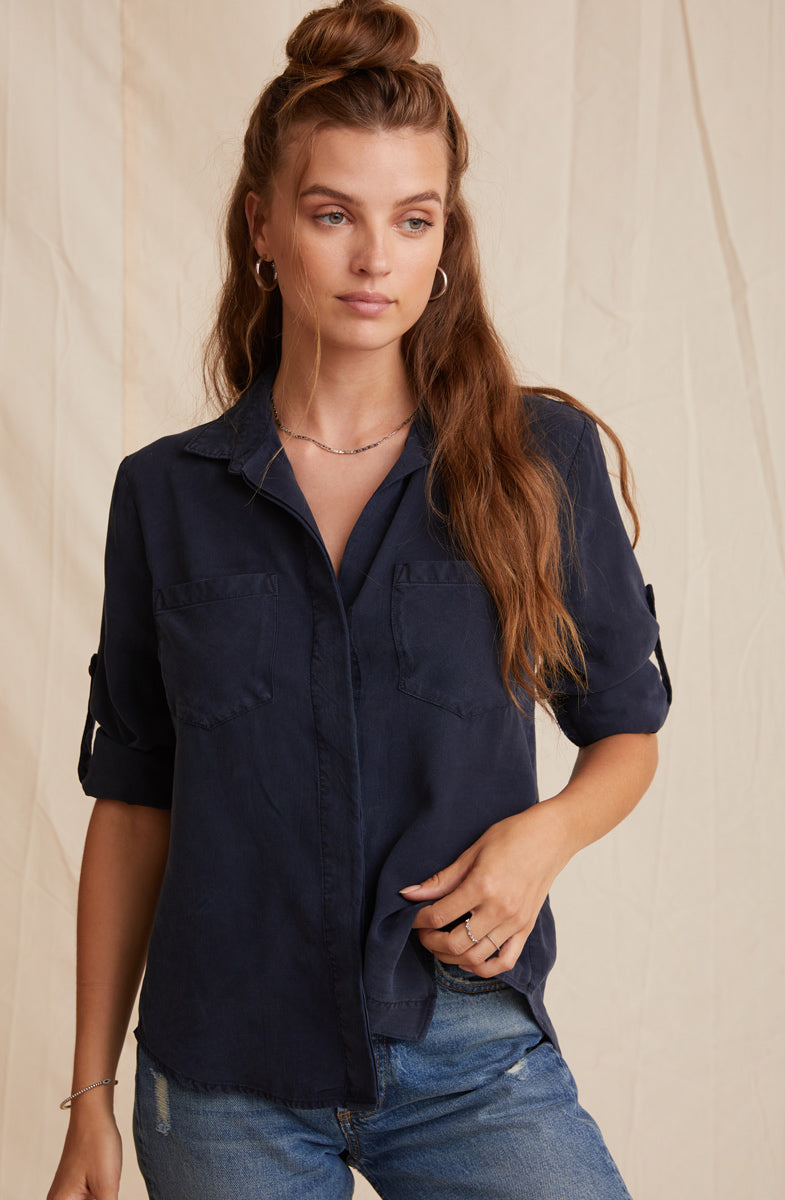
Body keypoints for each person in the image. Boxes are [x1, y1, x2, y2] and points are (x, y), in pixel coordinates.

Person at [47, 1, 671, 1197]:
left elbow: (626, 732)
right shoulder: (167, 496)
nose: (375, 257)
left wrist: (543, 841)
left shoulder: (536, 461)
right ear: (266, 228)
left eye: (413, 218)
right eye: (334, 214)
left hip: (470, 1057)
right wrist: (90, 1101)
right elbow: (130, 807)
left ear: (446, 240)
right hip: (222, 1086)